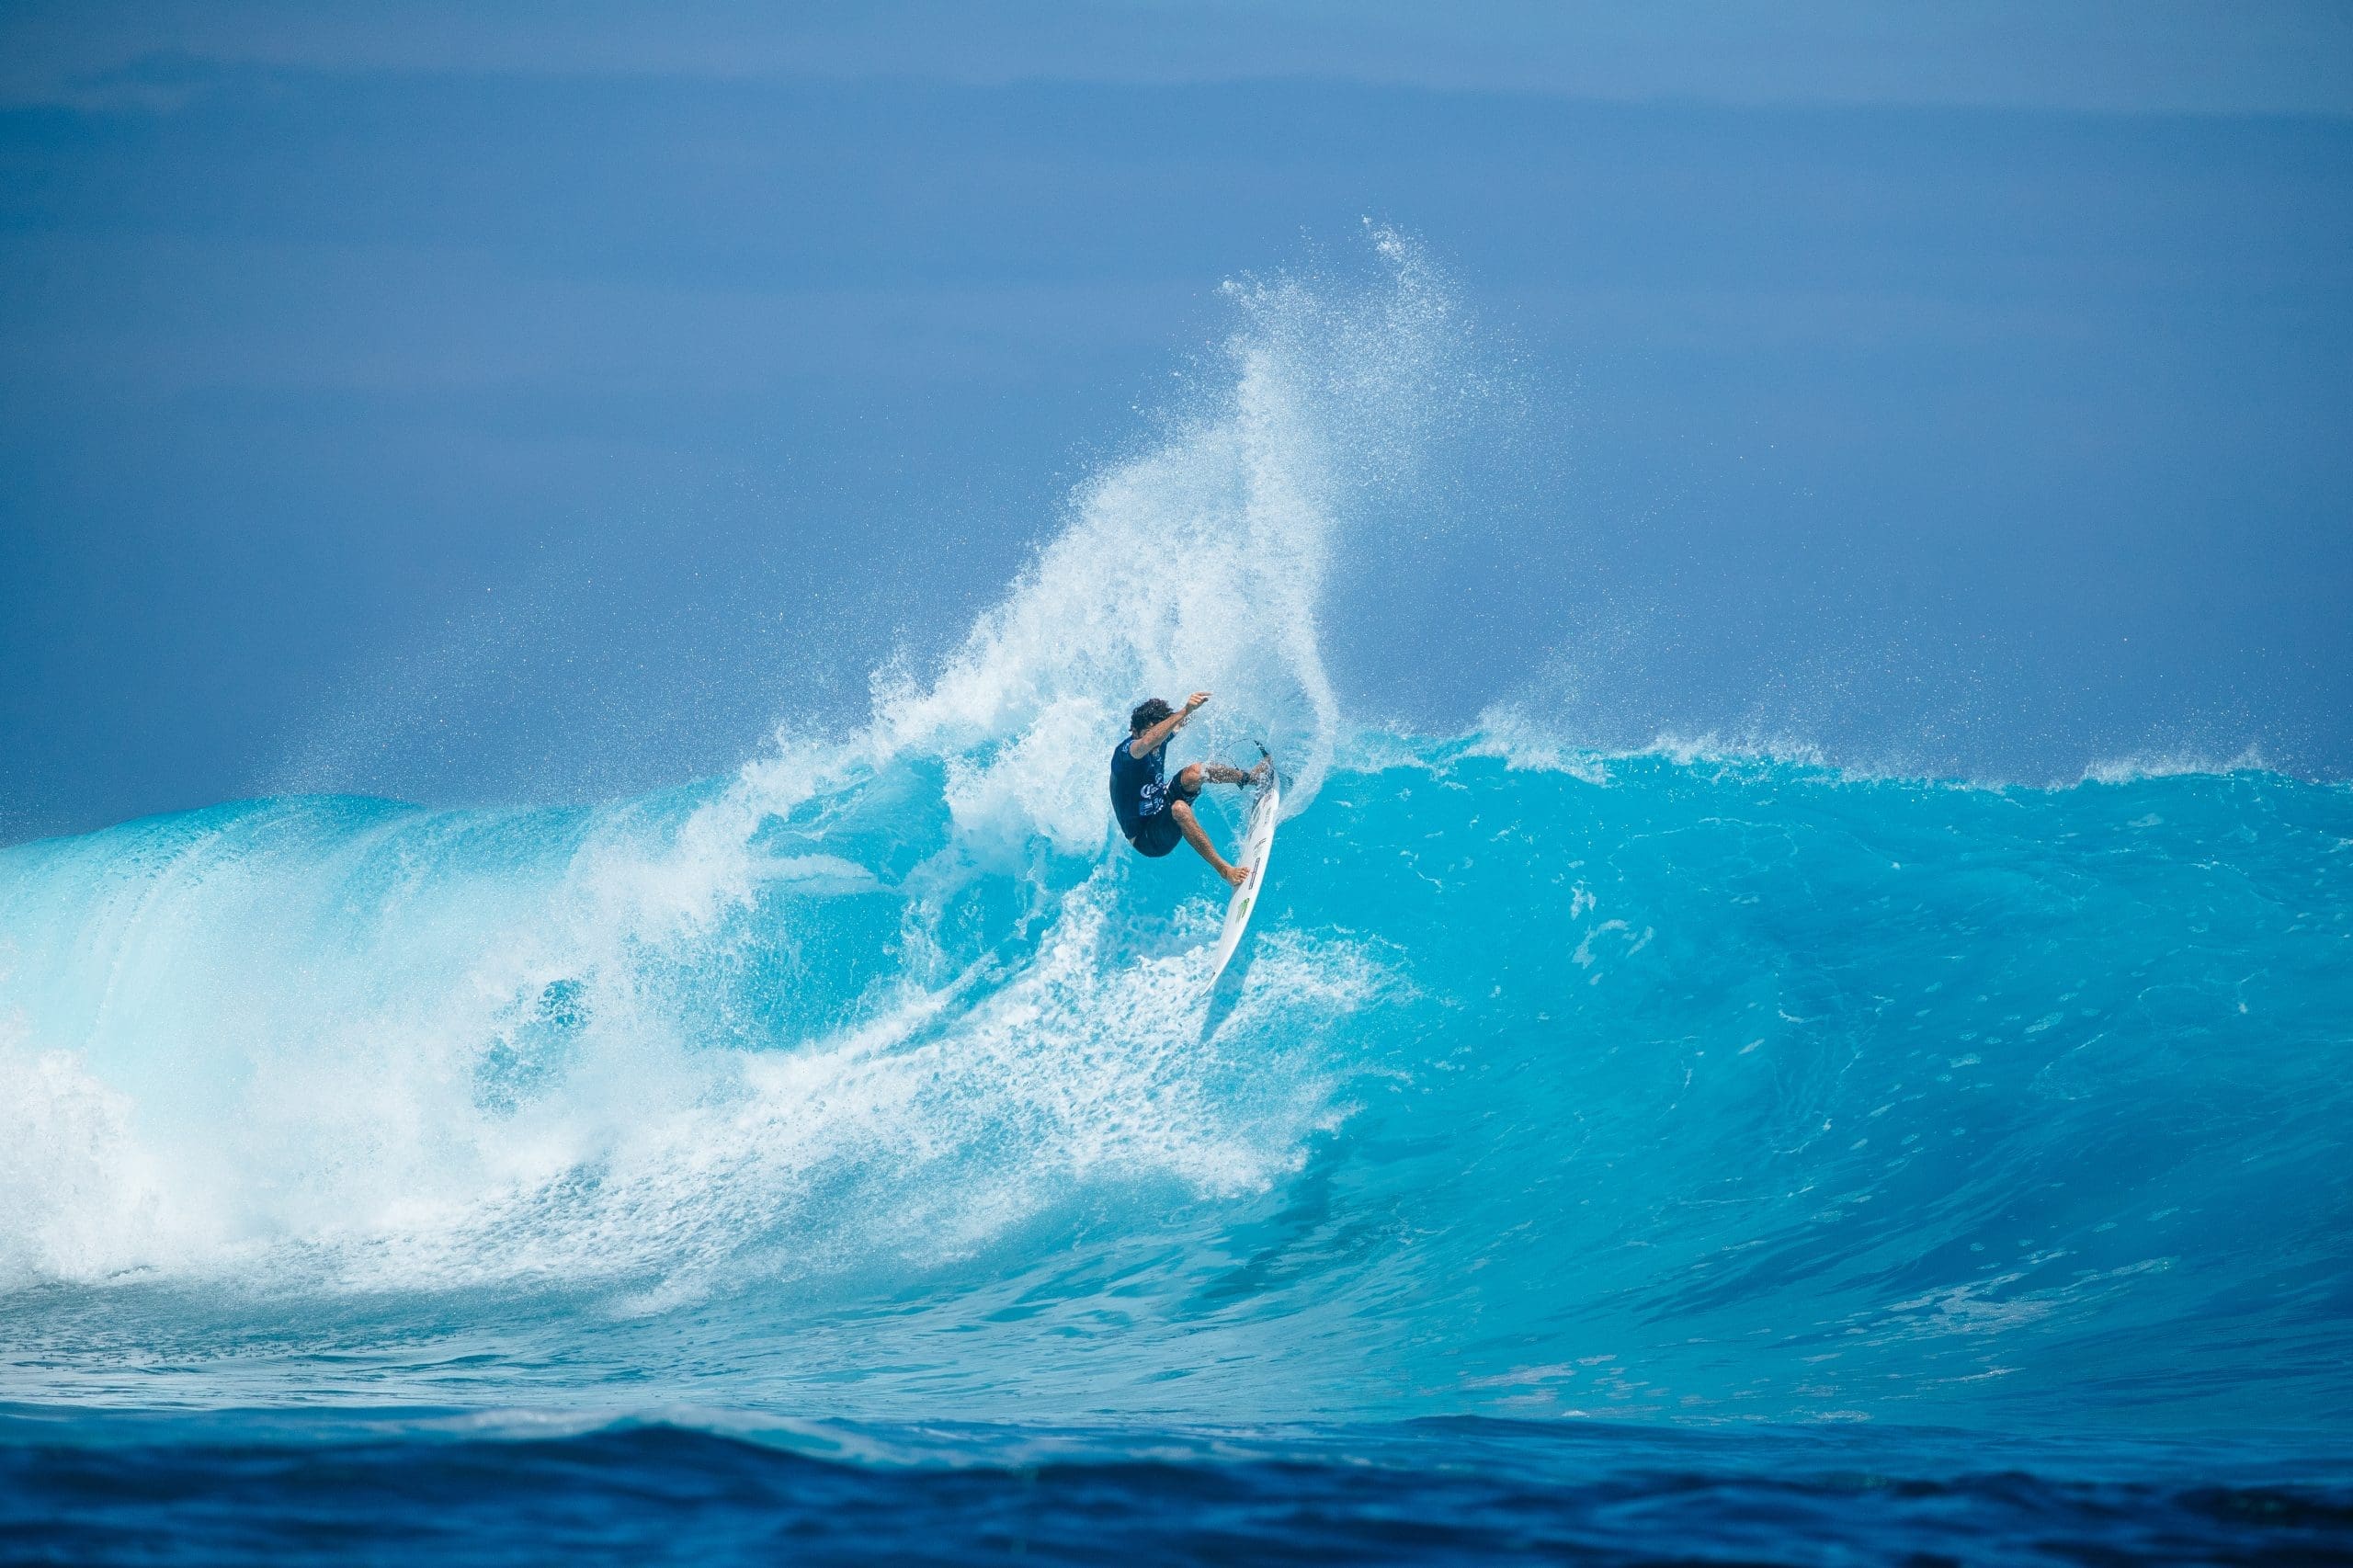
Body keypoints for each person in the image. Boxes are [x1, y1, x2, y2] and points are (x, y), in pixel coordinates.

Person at [1109, 691, 1266, 887]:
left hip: (1161, 803)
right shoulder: (1126, 754)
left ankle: (1251, 778)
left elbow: (1177, 724)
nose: (1155, 741)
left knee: (1195, 771)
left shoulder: (1160, 736)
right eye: (1147, 733)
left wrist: (1209, 703)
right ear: (1134, 731)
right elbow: (1150, 740)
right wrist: (1184, 710)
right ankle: (1225, 870)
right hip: (1147, 838)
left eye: (1158, 731)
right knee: (1180, 809)